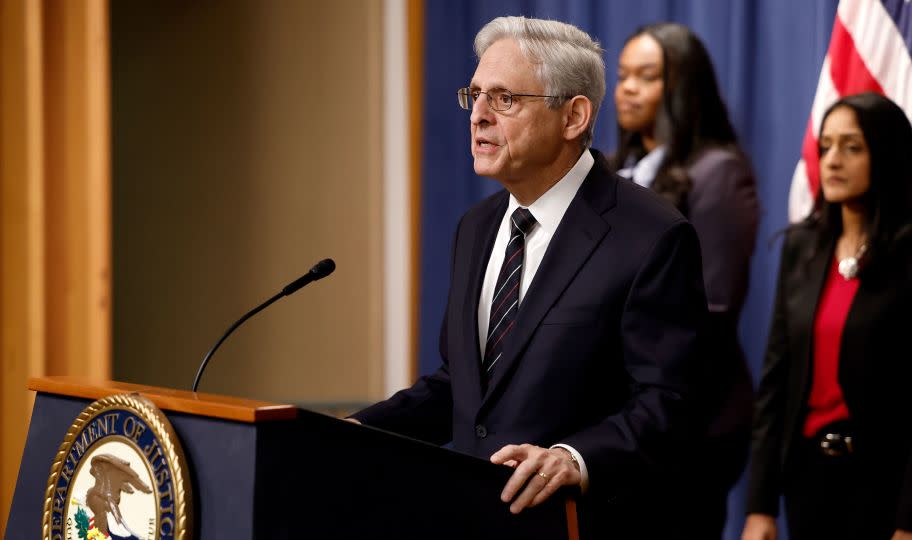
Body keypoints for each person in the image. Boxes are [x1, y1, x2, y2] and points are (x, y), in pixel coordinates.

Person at [351, 16, 713, 537]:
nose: (477, 116)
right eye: (474, 95)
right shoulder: (475, 228)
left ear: (573, 116)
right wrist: (352, 432)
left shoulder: (652, 236)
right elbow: (463, 387)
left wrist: (575, 457)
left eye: (503, 99)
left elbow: (671, 402)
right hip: (472, 516)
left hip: (580, 523)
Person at [742, 92, 912, 540]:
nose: (832, 160)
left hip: (886, 486)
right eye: (826, 146)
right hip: (808, 481)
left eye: (852, 147)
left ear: (888, 154)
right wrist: (760, 506)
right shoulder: (803, 246)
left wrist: (908, 520)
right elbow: (775, 384)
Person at [612, 22, 758, 537]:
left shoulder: (719, 171)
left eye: (646, 76)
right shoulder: (617, 170)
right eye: (623, 74)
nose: (626, 88)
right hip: (623, 419)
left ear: (681, 87)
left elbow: (715, 308)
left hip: (693, 422)